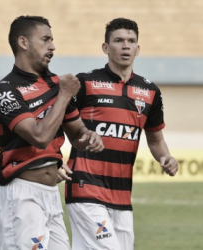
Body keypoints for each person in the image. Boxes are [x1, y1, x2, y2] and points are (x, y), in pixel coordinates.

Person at [0, 15, 104, 250]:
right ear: (24, 42)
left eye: (52, 40)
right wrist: (64, 95)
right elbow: (39, 137)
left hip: (50, 194)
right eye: (46, 39)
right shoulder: (5, 91)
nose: (52, 46)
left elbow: (77, 134)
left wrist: (89, 136)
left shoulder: (55, 84)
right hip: (20, 196)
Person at [65, 17, 179, 250]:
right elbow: (58, 122)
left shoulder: (150, 92)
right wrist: (55, 159)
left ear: (138, 48)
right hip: (85, 187)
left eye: (131, 41)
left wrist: (165, 157)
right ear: (106, 48)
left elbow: (156, 139)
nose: (125, 45)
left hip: (122, 196)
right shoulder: (86, 82)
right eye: (118, 40)